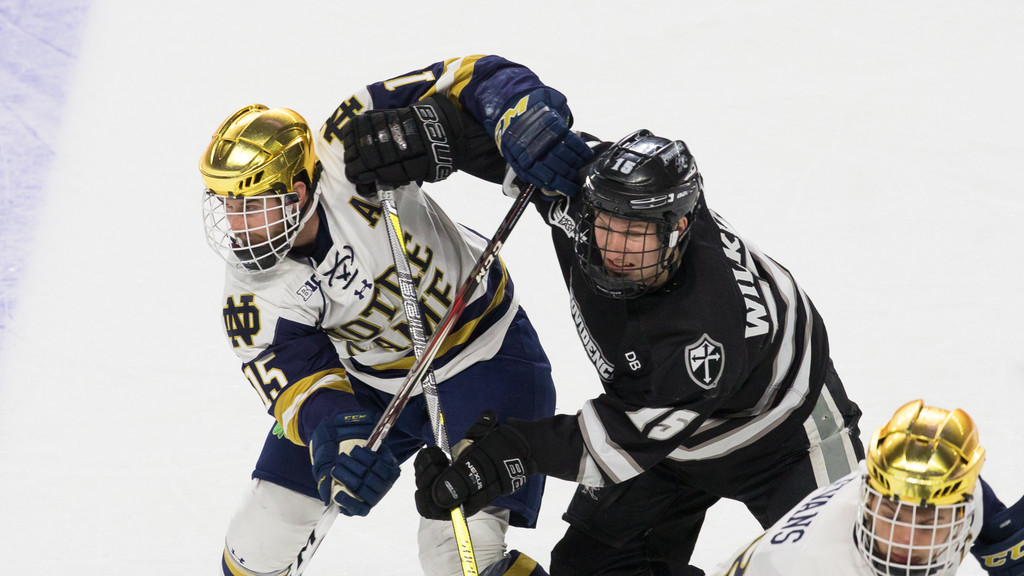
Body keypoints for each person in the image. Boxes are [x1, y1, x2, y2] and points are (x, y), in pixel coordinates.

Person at [345, 108, 867, 572]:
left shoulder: (703, 335)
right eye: (607, 226)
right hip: (666, 442)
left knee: (842, 562)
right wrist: (424, 136)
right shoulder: (592, 196)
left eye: (635, 235)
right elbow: (519, 146)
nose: (615, 248)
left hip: (787, 436)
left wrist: (503, 455)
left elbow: (617, 441)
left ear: (678, 228)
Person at [198, 54, 592, 576]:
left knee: (459, 560)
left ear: (297, 194)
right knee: (261, 536)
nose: (236, 225)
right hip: (368, 381)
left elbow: (470, 75)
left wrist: (518, 114)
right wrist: (341, 440)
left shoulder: (348, 142)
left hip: (486, 356)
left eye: (250, 206)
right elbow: (302, 388)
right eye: (227, 206)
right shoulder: (252, 296)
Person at [708, 399, 1024, 576]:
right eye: (891, 514)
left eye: (927, 523)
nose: (905, 539)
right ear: (869, 502)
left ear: (960, 515)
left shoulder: (963, 495)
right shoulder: (818, 564)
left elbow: (998, 532)